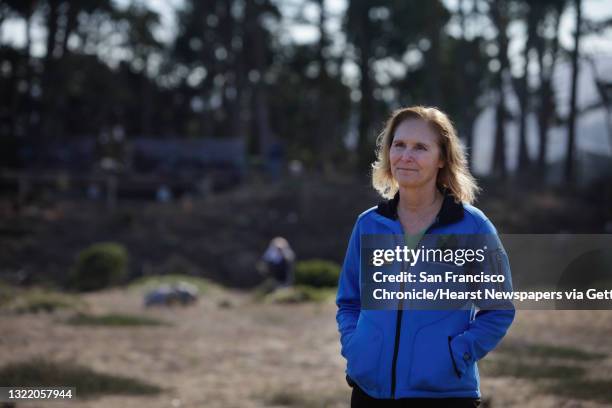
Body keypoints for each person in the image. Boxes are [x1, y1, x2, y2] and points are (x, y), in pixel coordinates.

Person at [336, 106, 515, 407]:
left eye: (420, 147)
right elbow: (349, 300)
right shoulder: (368, 224)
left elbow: (498, 308)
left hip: (443, 396)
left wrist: (457, 355)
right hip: (369, 393)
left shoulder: (473, 226)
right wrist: (356, 347)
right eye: (399, 144)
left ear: (442, 158)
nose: (406, 156)